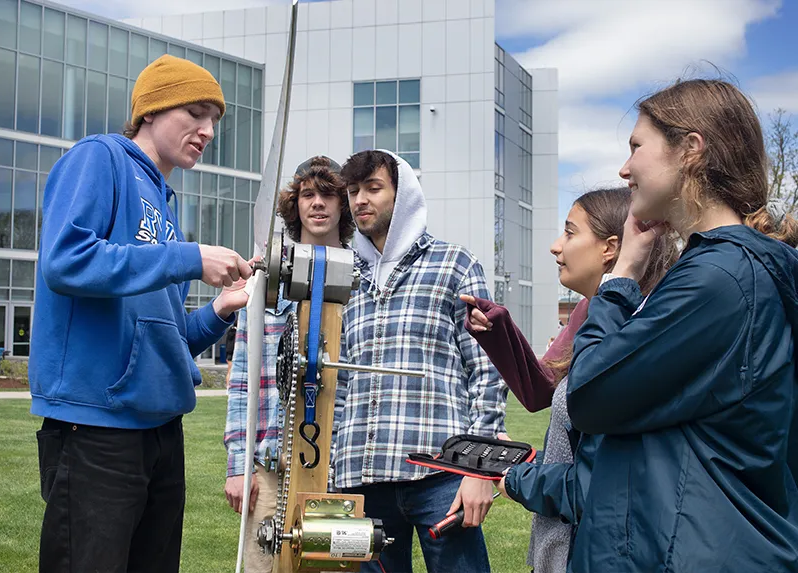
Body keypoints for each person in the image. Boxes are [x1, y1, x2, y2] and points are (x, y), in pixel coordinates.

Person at [29, 54, 255, 573]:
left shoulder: (165, 208)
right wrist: (188, 258)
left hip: (162, 431)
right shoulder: (100, 157)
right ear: (151, 109)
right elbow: (65, 260)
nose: (208, 131)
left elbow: (167, 340)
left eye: (214, 120)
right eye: (195, 112)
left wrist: (220, 309)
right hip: (96, 428)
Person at [565, 79, 798, 571]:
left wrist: (621, 279)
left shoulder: (718, 280)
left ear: (690, 149)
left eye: (636, 147)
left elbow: (589, 394)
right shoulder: (724, 271)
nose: (624, 168)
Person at [463, 187, 676, 573]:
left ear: (610, 248)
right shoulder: (589, 310)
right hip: (558, 543)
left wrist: (520, 478)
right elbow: (542, 391)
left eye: (570, 232)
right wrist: (499, 330)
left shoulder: (645, 325)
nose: (555, 246)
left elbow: (602, 478)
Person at [334, 150, 508, 573]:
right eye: (353, 191)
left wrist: (480, 471)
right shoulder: (342, 276)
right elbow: (337, 382)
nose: (360, 200)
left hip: (442, 474)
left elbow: (487, 370)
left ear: (403, 195)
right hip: (360, 476)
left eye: (373, 188)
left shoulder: (455, 264)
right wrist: (330, 468)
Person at [223, 156, 354, 573]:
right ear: (294, 204)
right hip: (270, 464)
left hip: (336, 466)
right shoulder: (266, 281)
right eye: (308, 194)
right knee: (263, 565)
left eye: (328, 194)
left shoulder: (362, 280)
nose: (318, 204)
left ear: (343, 204)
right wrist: (238, 466)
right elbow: (242, 380)